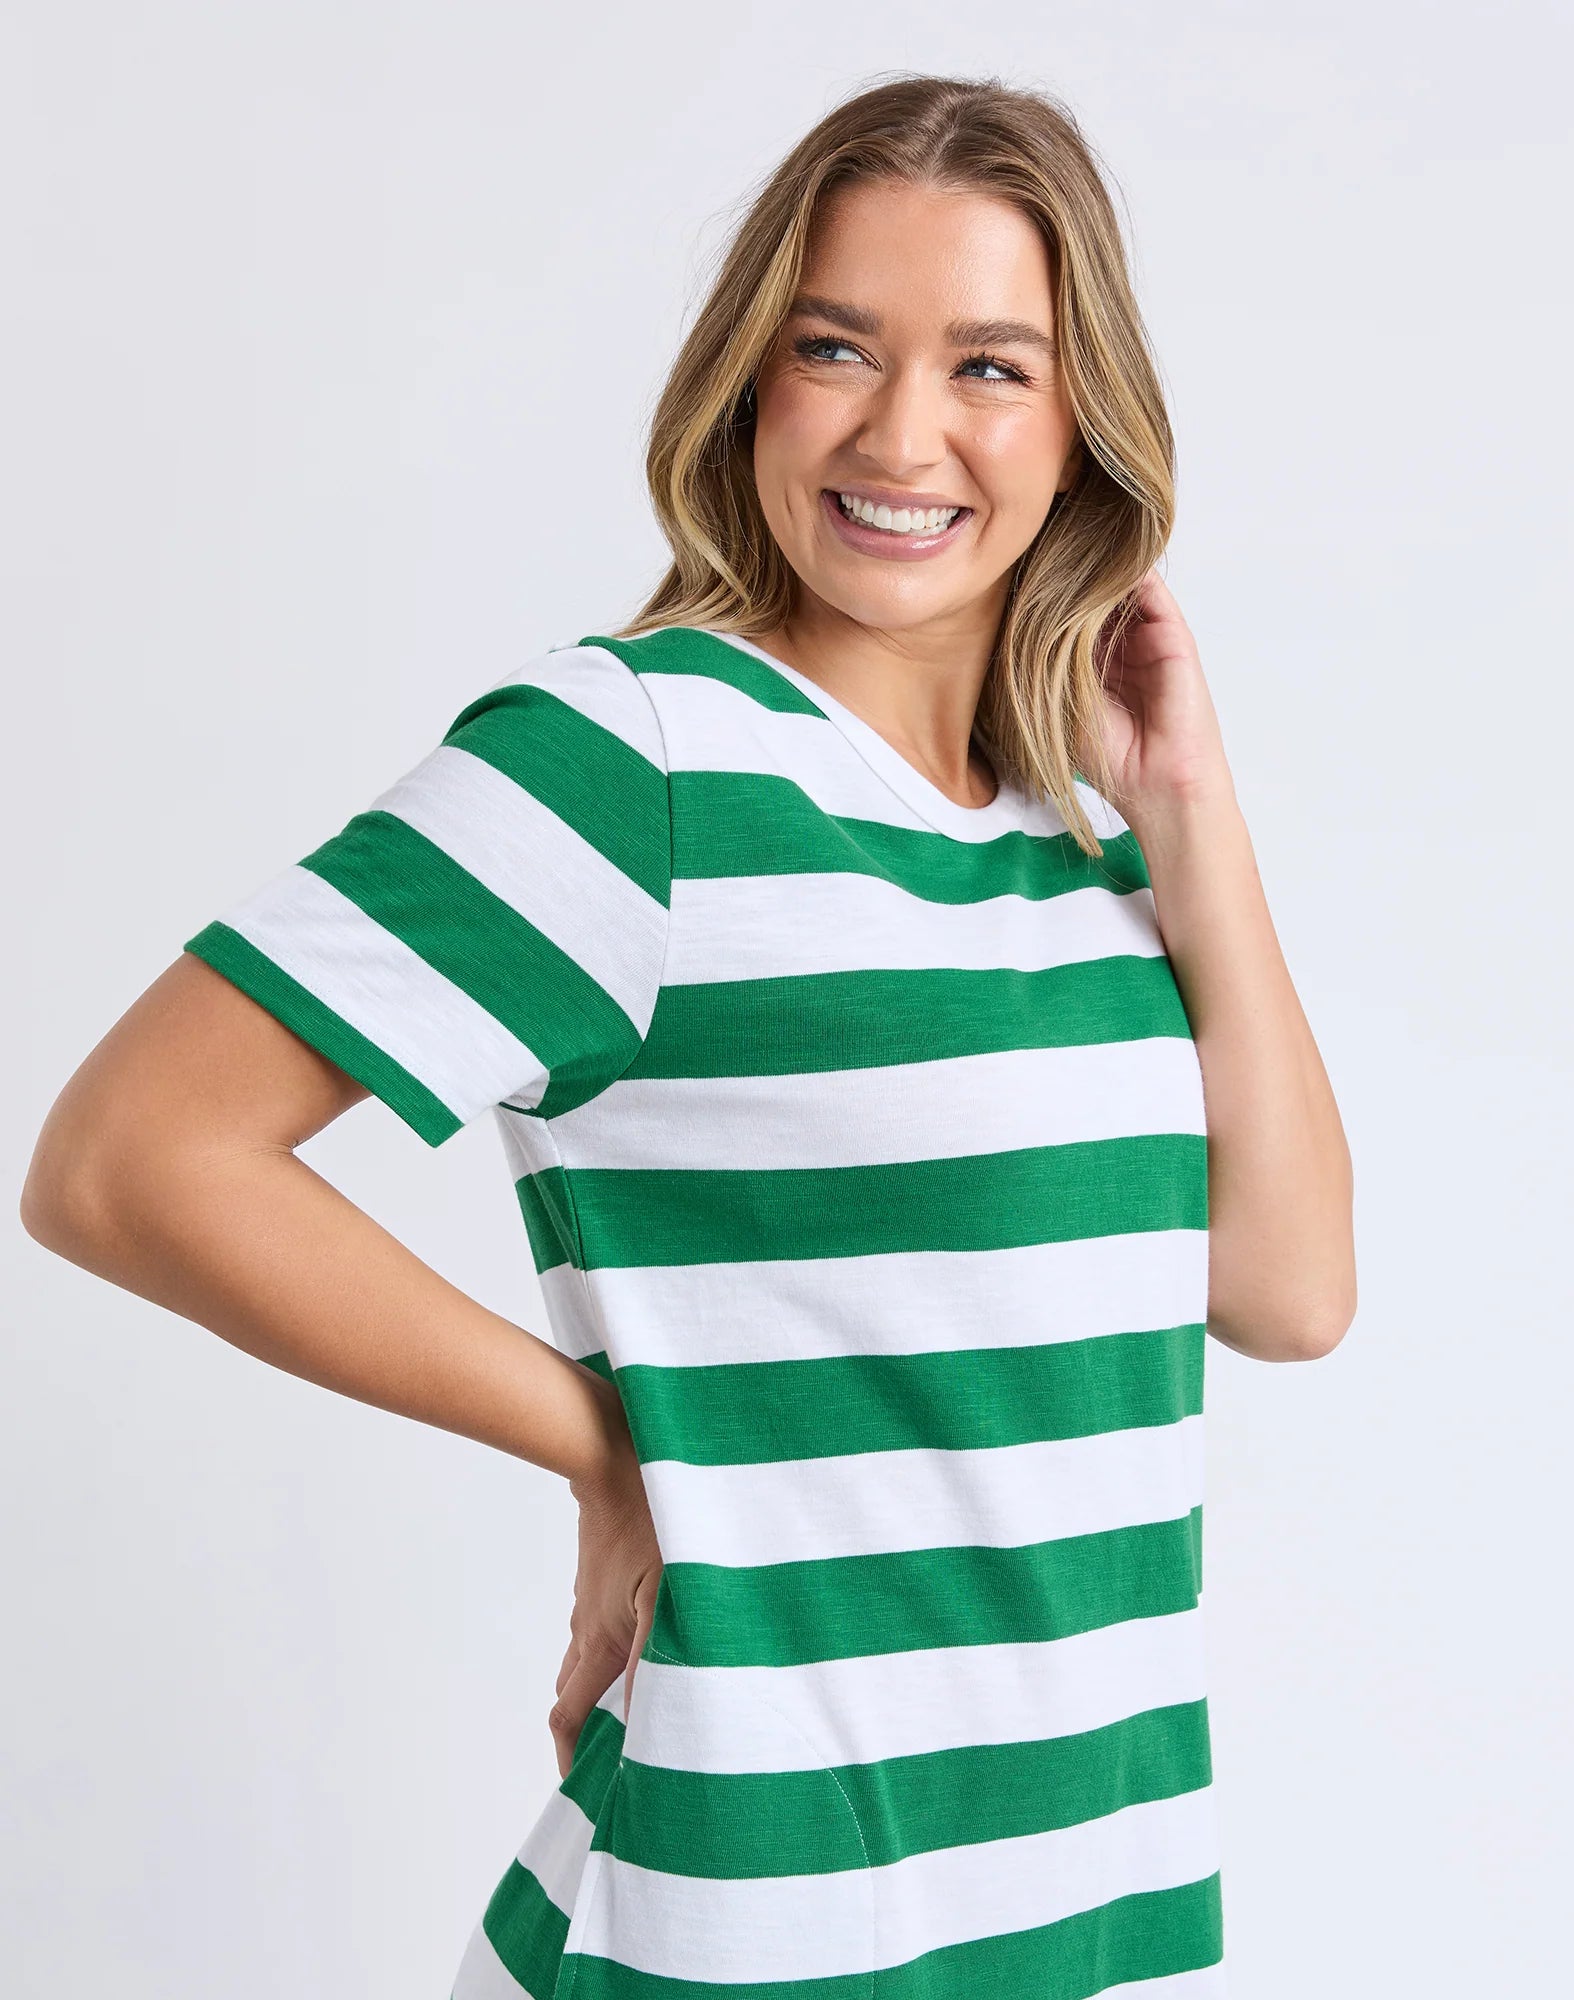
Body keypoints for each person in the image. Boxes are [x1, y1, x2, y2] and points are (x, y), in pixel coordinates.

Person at [21, 71, 1355, 2000]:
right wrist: (610, 1452)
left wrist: (1196, 821)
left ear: (1084, 427)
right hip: (760, 1911)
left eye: (990, 366)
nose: (901, 432)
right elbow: (126, 1161)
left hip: (1076, 1899)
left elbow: (1289, 1295)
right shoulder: (634, 755)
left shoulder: (1087, 839)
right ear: (750, 381)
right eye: (837, 347)